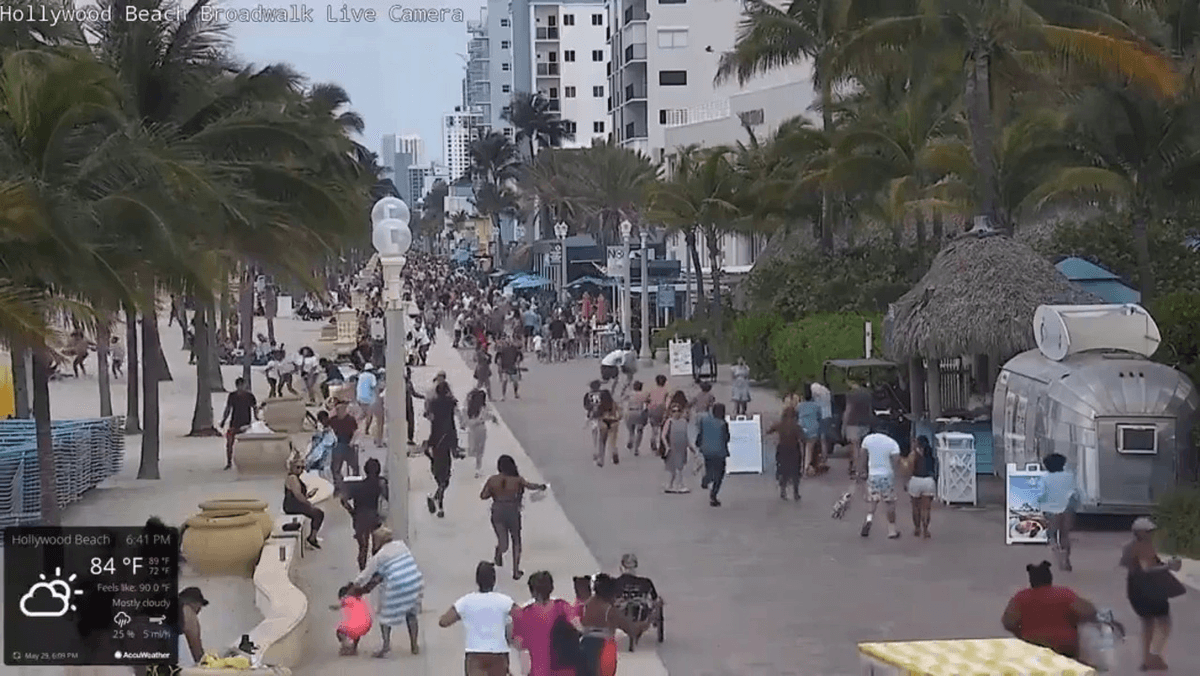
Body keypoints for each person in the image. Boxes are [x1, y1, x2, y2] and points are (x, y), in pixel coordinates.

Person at [1121, 517, 1184, 670]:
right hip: (1150, 589)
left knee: (1147, 624)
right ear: (1140, 532)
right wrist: (1168, 566)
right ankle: (1154, 655)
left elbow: (1127, 565)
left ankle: (1147, 658)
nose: (1151, 533)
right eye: (1148, 531)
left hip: (1135, 588)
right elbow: (1147, 569)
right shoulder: (1143, 546)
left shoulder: (1129, 546)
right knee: (1164, 622)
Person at [1001, 561, 1096, 659]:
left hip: (1033, 647)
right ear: (1050, 578)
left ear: (1031, 580)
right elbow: (1088, 612)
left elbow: (1008, 622)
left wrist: (1020, 634)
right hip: (1064, 648)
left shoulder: (1021, 598)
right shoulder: (1064, 594)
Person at [439, 561, 519, 676]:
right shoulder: (505, 601)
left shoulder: (466, 601)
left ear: (477, 580)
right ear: (494, 580)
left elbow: (444, 622)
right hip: (499, 653)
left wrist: (464, 616)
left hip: (474, 654)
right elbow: (522, 616)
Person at [354, 526, 423, 657]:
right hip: (414, 581)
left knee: (385, 615)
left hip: (396, 585)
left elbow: (365, 575)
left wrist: (355, 586)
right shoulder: (402, 545)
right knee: (411, 614)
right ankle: (414, 645)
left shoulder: (380, 556)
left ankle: (386, 646)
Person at [481, 454, 547, 581]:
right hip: (513, 512)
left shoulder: (492, 480)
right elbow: (530, 486)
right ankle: (516, 571)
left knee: (504, 542)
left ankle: (499, 551)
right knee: (516, 540)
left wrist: (495, 493)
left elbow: (483, 496)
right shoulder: (518, 480)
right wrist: (540, 486)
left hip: (498, 511)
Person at [577, 573, 656, 676]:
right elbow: (634, 631)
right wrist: (650, 618)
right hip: (603, 652)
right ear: (609, 592)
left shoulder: (585, 606)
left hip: (584, 649)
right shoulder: (610, 611)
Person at [513, 571, 577, 676]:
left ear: (532, 591)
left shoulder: (524, 614)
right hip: (565, 671)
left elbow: (519, 645)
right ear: (551, 588)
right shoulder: (562, 607)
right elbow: (578, 627)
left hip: (539, 671)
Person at [342, 457, 388, 570]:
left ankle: (362, 572)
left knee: (363, 548)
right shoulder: (379, 484)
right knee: (376, 548)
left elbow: (343, 500)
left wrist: (352, 512)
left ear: (365, 470)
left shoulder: (357, 486)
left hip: (360, 519)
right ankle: (375, 571)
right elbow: (388, 498)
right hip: (374, 518)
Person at [425, 380, 461, 518]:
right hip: (447, 439)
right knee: (445, 477)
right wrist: (455, 445)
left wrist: (429, 442)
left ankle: (437, 501)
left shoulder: (433, 404)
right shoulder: (450, 403)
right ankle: (438, 503)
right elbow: (452, 424)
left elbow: (432, 422)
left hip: (436, 440)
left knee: (439, 474)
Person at [1038, 453, 1078, 571]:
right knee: (1065, 535)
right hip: (1067, 509)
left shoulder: (1044, 478)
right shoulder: (1069, 476)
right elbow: (1075, 492)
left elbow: (1041, 494)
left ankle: (1057, 558)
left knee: (1052, 535)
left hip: (1050, 510)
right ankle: (1066, 558)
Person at [860, 428, 902, 539]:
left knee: (873, 501)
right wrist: (896, 474)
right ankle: (891, 530)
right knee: (890, 503)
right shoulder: (892, 443)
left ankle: (869, 519)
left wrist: (862, 470)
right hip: (887, 476)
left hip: (873, 475)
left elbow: (863, 456)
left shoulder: (867, 439)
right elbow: (896, 461)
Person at [283, 456, 324, 549]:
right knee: (318, 513)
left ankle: (313, 537)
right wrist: (308, 504)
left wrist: (308, 496)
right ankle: (312, 537)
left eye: (302, 468)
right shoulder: (292, 478)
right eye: (297, 467)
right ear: (292, 467)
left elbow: (299, 495)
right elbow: (298, 495)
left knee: (317, 513)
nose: (300, 470)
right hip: (292, 506)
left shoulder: (296, 478)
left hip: (295, 504)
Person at [697, 403, 731, 506]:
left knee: (709, 468)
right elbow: (726, 438)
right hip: (719, 452)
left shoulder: (704, 420)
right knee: (719, 474)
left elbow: (700, 435)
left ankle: (707, 478)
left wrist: (699, 444)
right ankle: (713, 495)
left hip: (706, 451)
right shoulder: (723, 423)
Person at [219, 377, 258, 470]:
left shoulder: (250, 396)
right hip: (234, 423)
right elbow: (228, 409)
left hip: (246, 424)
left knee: (247, 444)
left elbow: (254, 408)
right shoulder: (232, 396)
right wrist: (223, 420)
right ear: (236, 386)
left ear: (244, 385)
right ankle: (229, 462)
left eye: (242, 385)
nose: (240, 387)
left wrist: (257, 418)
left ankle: (248, 462)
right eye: (239, 385)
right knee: (229, 443)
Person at [904, 436, 938, 539]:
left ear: (917, 443)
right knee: (926, 508)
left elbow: (909, 469)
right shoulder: (931, 454)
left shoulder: (913, 455)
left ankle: (917, 528)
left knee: (915, 507)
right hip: (928, 481)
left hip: (916, 480)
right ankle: (926, 530)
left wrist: (906, 481)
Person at [767, 405, 803, 501]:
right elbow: (802, 438)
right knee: (795, 471)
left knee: (784, 470)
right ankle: (796, 493)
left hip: (782, 449)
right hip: (794, 450)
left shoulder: (780, 424)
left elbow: (769, 431)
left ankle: (783, 490)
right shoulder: (796, 426)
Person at [327, 399, 360, 492]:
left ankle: (354, 481)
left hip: (348, 444)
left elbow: (356, 432)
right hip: (338, 444)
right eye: (337, 409)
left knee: (354, 466)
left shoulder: (350, 420)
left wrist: (353, 441)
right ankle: (339, 483)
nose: (338, 411)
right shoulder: (333, 420)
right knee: (335, 467)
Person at [842, 379, 873, 478]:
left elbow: (848, 410)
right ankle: (864, 470)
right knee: (864, 448)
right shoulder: (868, 394)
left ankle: (857, 470)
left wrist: (843, 425)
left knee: (855, 447)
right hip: (865, 423)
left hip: (853, 423)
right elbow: (870, 409)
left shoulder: (851, 394)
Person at [463, 388, 497, 478]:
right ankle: (478, 467)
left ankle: (478, 468)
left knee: (474, 449)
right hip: (481, 429)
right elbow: (487, 415)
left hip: (473, 430)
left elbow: (466, 420)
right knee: (478, 450)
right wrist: (492, 418)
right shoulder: (482, 408)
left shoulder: (469, 408)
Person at [660, 403, 693, 493]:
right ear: (671, 412)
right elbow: (663, 435)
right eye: (674, 411)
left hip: (682, 448)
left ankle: (671, 485)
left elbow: (686, 436)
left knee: (679, 467)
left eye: (678, 411)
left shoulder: (684, 422)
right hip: (672, 448)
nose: (676, 413)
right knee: (674, 468)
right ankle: (679, 485)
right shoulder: (669, 422)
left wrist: (691, 447)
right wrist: (667, 446)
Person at [335, 584, 373, 656]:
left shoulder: (348, 599)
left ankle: (345, 646)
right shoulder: (360, 599)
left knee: (340, 631)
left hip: (357, 625)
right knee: (356, 632)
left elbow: (339, 606)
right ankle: (354, 648)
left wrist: (334, 607)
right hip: (366, 625)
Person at [795, 385, 822, 476]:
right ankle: (806, 467)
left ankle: (801, 466)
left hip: (801, 428)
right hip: (813, 429)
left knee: (802, 448)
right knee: (809, 449)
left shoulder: (799, 406)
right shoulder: (816, 406)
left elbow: (796, 415)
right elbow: (819, 417)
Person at [178, 586, 208, 666]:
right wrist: (203, 661)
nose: (199, 610)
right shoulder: (187, 610)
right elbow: (194, 640)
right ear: (195, 603)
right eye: (200, 606)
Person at [592, 389, 622, 467]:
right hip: (614, 422)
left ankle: (601, 460)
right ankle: (614, 452)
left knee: (602, 442)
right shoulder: (614, 403)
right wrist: (618, 418)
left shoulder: (600, 405)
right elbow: (620, 413)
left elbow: (596, 414)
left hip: (604, 422)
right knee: (613, 441)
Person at [645, 375, 670, 457]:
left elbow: (647, 399)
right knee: (662, 427)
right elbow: (667, 402)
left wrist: (648, 406)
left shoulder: (652, 390)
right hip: (661, 409)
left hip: (652, 409)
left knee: (654, 427)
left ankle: (653, 439)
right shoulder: (666, 391)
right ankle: (660, 444)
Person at [623, 380, 649, 457]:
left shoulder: (629, 394)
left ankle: (631, 440)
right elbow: (647, 403)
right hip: (639, 412)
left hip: (630, 412)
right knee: (639, 432)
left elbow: (622, 399)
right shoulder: (643, 395)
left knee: (631, 431)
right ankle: (636, 449)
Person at [356, 363, 380, 441]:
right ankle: (366, 430)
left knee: (363, 413)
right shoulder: (372, 376)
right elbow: (374, 385)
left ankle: (354, 423)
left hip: (359, 397)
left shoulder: (361, 375)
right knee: (369, 415)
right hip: (368, 398)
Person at [495, 337, 524, 401]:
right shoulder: (501, 350)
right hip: (505, 366)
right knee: (505, 381)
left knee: (515, 381)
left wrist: (517, 361)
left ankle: (515, 393)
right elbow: (497, 359)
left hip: (512, 366)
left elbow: (520, 355)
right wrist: (499, 366)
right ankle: (503, 395)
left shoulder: (514, 349)